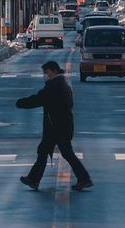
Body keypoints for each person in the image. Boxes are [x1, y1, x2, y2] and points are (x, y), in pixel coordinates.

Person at [15, 59, 93, 191]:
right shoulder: (61, 84)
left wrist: (21, 103)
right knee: (47, 152)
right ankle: (33, 179)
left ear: (54, 71)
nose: (45, 75)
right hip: (59, 126)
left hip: (57, 127)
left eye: (47, 72)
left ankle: (84, 179)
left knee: (56, 153)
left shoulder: (55, 86)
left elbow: (39, 99)